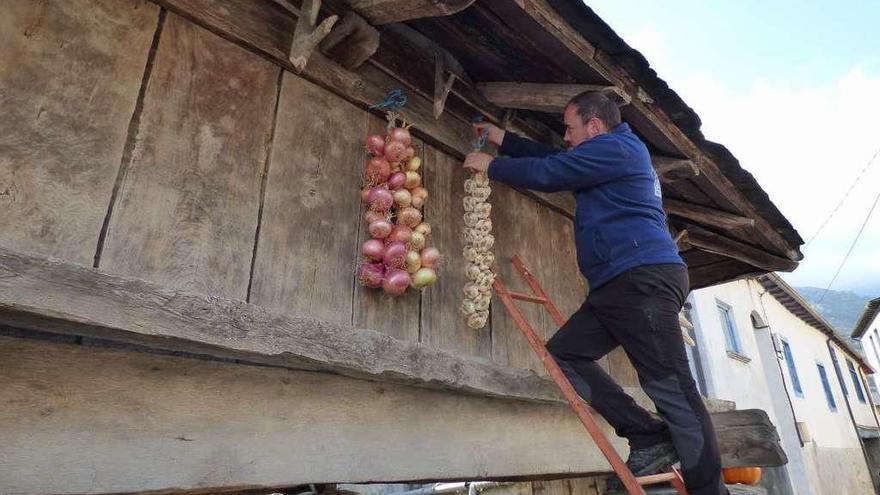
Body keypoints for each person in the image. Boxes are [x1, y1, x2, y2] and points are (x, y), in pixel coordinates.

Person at [463, 91, 727, 495]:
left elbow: (551, 173)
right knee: (564, 355)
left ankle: (709, 490)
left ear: (595, 125)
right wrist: (502, 137)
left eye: (570, 129)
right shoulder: (606, 153)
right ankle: (646, 434)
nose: (566, 137)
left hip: (641, 278)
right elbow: (555, 160)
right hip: (617, 286)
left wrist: (492, 165)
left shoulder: (619, 148)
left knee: (672, 389)